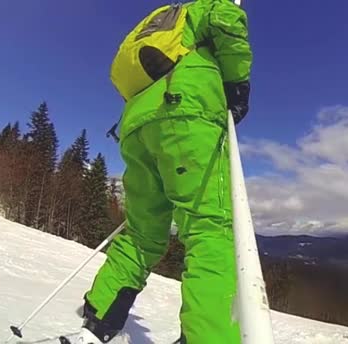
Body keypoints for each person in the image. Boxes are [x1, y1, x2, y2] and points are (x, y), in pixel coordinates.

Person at [76, 0, 252, 343]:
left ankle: (100, 315)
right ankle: (210, 337)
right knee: (211, 229)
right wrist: (237, 84)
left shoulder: (160, 21)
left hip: (137, 126)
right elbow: (228, 20)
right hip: (185, 113)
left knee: (143, 233)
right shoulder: (205, 8)